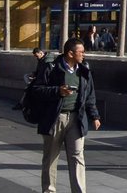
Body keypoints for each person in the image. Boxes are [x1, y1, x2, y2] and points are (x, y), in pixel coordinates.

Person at [32, 38, 101, 193]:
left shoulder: (84, 70)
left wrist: (94, 116)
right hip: (55, 118)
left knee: (77, 156)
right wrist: (58, 91)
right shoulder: (51, 67)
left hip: (76, 119)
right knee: (51, 157)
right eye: (81, 52)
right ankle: (49, 190)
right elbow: (37, 90)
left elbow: (89, 95)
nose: (84, 54)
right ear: (70, 53)